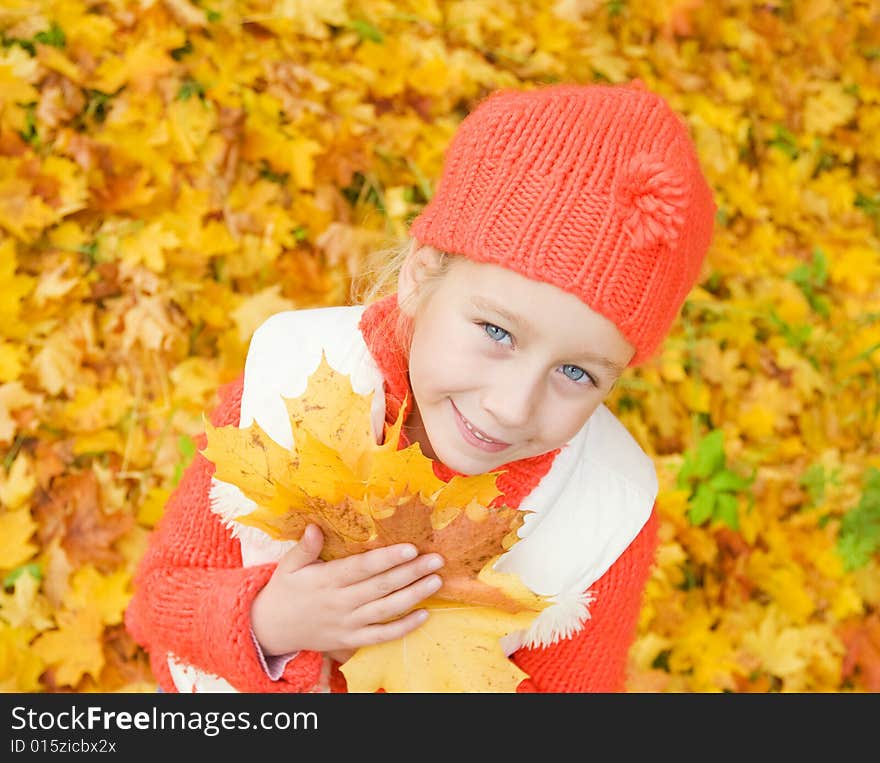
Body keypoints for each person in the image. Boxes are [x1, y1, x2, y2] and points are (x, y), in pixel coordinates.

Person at [124, 80, 717, 693]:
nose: (511, 407)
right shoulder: (292, 379)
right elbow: (158, 603)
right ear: (420, 275)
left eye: (576, 373)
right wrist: (272, 622)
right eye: (496, 331)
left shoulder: (602, 513)